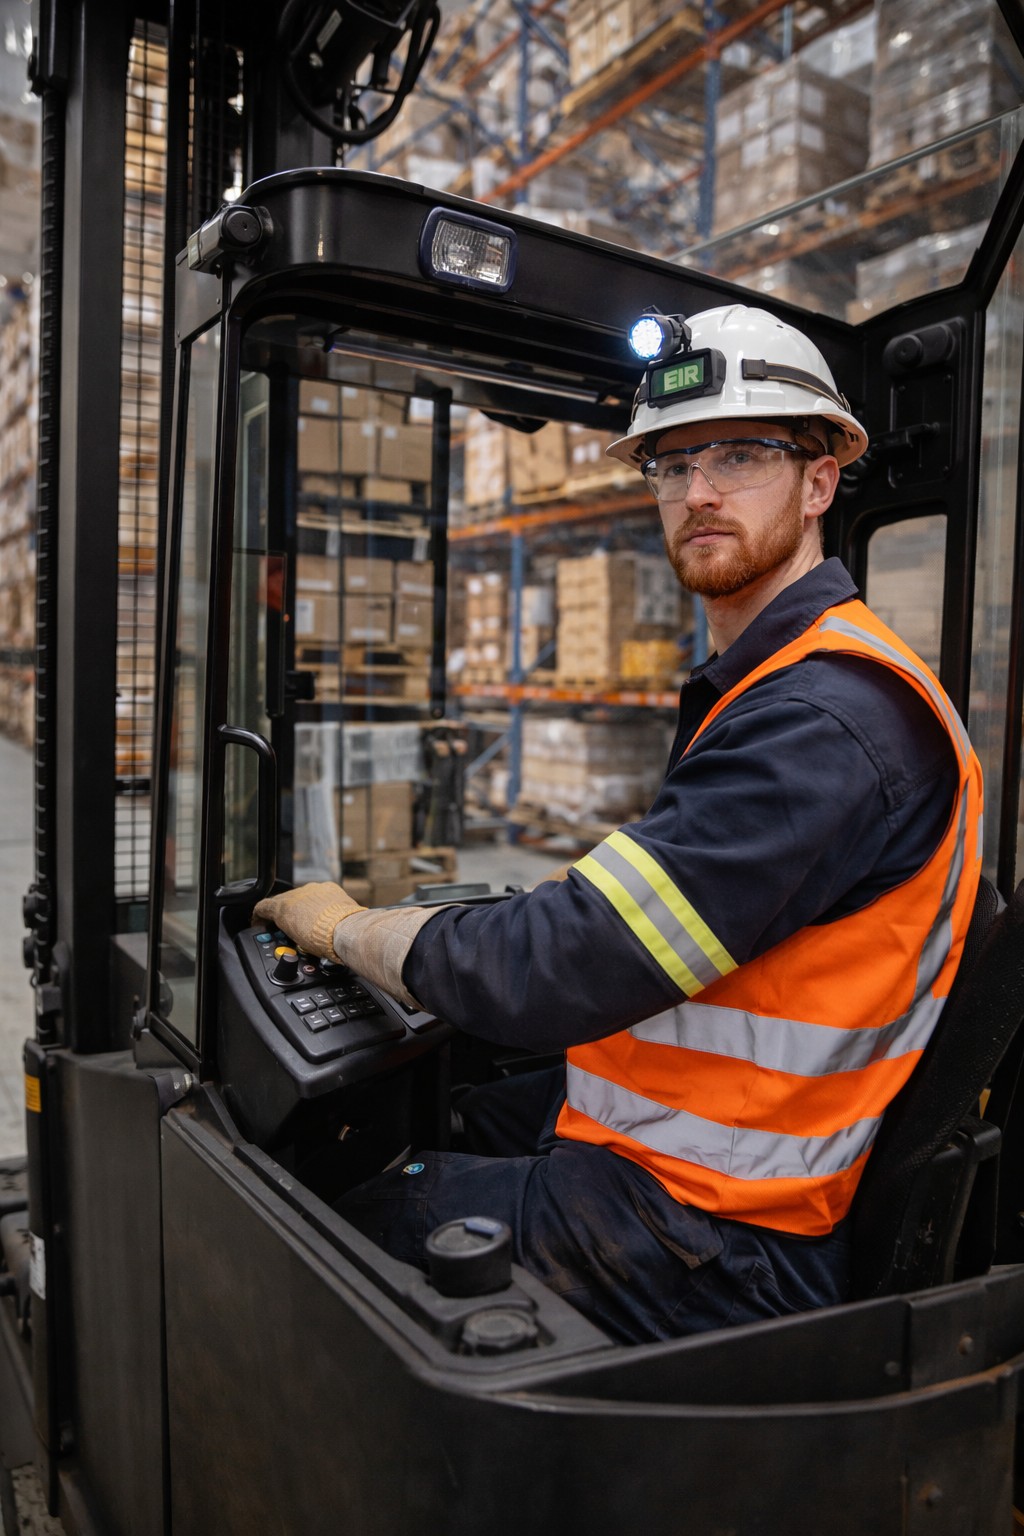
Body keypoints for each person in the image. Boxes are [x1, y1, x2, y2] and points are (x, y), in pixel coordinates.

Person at [256, 304, 983, 1345]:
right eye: (671, 465)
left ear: (820, 480)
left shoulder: (825, 721)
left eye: (740, 455)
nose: (697, 493)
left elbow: (556, 967)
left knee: (335, 1212)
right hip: (701, 1163)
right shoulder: (788, 683)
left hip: (718, 1237)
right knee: (457, 1109)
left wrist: (345, 928)